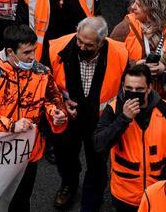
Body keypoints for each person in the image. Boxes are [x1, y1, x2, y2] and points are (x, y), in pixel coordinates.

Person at [0, 24, 68, 212]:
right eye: (27, 53)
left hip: (28, 152)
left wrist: (57, 114)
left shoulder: (42, 72)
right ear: (10, 52)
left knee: (22, 201)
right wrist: (12, 125)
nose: (33, 57)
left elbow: (53, 99)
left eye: (34, 50)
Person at [48, 16, 130, 210]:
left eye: (88, 45)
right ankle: (68, 184)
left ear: (101, 43)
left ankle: (91, 200)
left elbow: (123, 90)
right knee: (65, 156)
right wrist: (61, 102)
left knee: (97, 164)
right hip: (68, 119)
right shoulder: (55, 48)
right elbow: (46, 85)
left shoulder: (120, 54)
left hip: (100, 122)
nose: (81, 48)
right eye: (79, 41)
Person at [92, 63, 166, 211]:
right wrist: (124, 118)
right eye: (129, 89)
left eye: (139, 90)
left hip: (158, 192)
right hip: (125, 195)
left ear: (149, 87)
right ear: (123, 86)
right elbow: (99, 144)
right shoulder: (114, 109)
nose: (133, 93)